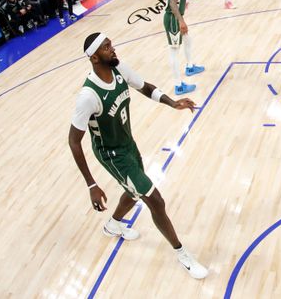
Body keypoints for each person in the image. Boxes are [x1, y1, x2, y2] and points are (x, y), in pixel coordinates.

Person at [67, 32, 208, 279]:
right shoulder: (88, 96)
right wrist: (91, 184)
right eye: (106, 47)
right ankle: (182, 254)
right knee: (155, 200)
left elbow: (145, 87)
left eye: (111, 45)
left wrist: (172, 103)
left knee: (134, 191)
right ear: (94, 58)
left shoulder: (119, 68)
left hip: (127, 143)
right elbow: (73, 141)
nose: (113, 49)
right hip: (112, 154)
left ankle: (113, 225)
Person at [165, 0, 205, 95]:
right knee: (174, 51)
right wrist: (181, 21)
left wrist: (185, 3)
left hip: (175, 18)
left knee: (188, 40)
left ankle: (189, 67)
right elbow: (172, 3)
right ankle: (178, 86)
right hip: (173, 20)